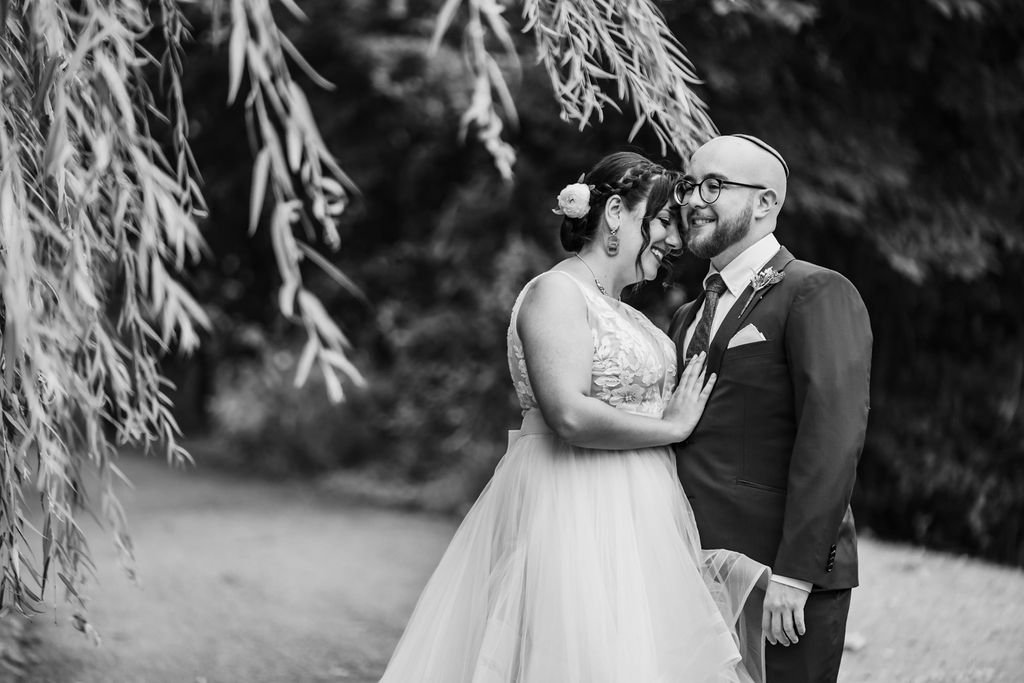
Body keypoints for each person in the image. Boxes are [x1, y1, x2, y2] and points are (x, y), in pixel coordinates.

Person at [379, 151, 770, 683]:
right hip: (571, 504)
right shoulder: (555, 293)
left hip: (642, 517)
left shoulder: (628, 314)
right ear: (615, 213)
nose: (675, 242)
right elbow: (567, 412)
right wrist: (671, 427)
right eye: (662, 222)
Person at [668, 134, 873, 683]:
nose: (693, 200)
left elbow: (832, 438)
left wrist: (796, 574)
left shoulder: (816, 291)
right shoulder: (689, 315)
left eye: (714, 185)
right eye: (689, 185)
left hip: (776, 579)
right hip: (686, 569)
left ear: (765, 202)